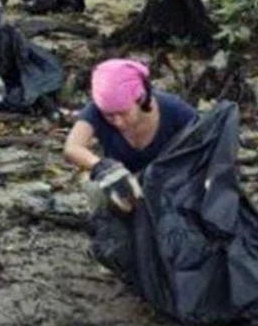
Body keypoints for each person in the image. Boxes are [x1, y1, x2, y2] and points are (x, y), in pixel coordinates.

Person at [63, 59, 197, 213]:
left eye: (123, 113)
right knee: (97, 191)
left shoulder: (174, 109)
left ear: (140, 99)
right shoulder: (95, 112)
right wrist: (104, 168)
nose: (118, 122)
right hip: (128, 189)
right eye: (110, 116)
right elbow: (72, 147)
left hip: (172, 186)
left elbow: (208, 141)